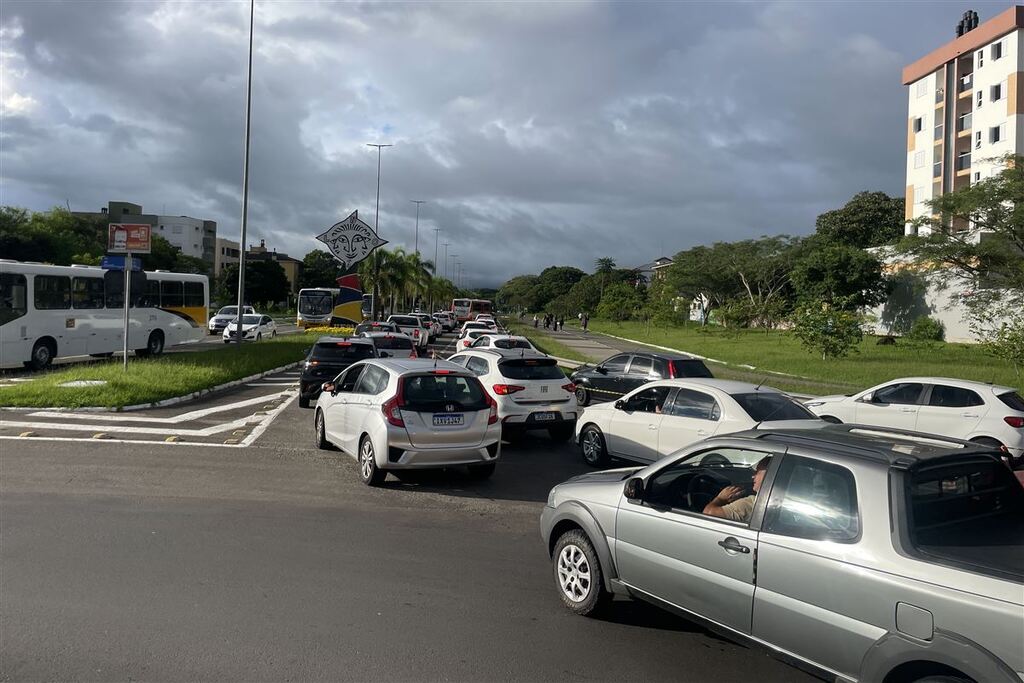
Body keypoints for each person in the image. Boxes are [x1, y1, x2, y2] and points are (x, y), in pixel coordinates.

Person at [703, 456, 771, 523]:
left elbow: (708, 513)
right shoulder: (774, 500)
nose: (753, 476)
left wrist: (720, 499)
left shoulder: (750, 504)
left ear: (769, 476)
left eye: (757, 472)